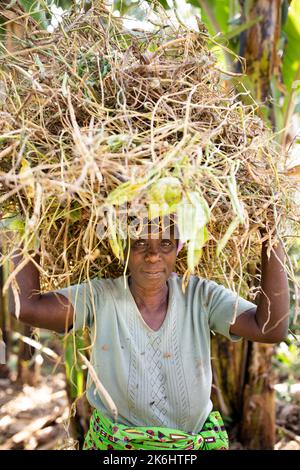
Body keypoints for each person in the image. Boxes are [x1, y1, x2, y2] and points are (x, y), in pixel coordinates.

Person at [9, 215, 289, 450]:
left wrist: (270, 235)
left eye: (165, 243)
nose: (153, 255)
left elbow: (270, 328)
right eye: (140, 242)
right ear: (124, 249)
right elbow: (28, 308)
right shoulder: (100, 297)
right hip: (117, 448)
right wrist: (30, 219)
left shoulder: (200, 295)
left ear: (178, 248)